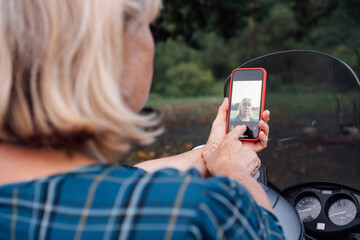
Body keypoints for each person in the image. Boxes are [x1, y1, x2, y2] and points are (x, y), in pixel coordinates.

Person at [0, 0, 284, 239]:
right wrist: (235, 172)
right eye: (148, 25)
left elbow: (126, 177)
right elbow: (267, 232)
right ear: (110, 51)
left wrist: (211, 154)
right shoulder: (192, 211)